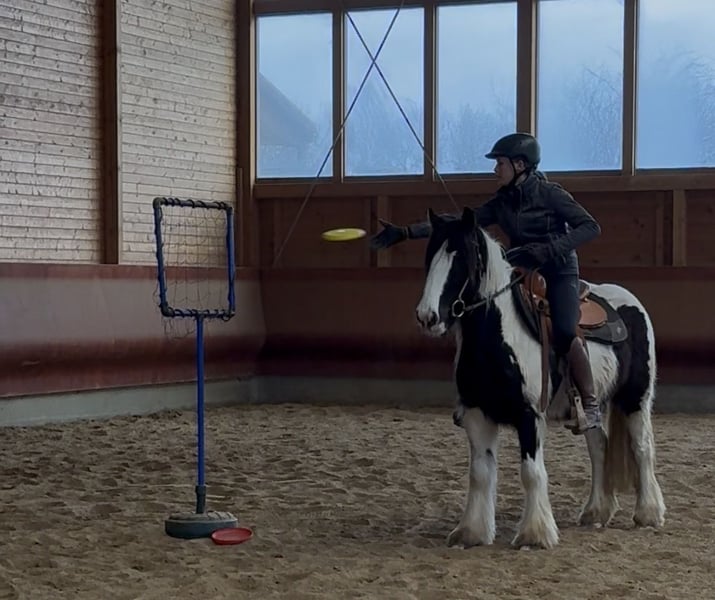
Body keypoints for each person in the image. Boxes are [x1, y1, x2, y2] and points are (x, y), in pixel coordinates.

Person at [370, 132, 602, 434]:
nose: (495, 170)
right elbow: (459, 223)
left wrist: (549, 249)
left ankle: (591, 405)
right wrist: (406, 232)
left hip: (558, 270)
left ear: (520, 165)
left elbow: (591, 226)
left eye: (500, 163)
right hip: (521, 268)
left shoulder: (550, 194)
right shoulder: (502, 201)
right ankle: (475, 396)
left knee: (565, 330)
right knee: (485, 317)